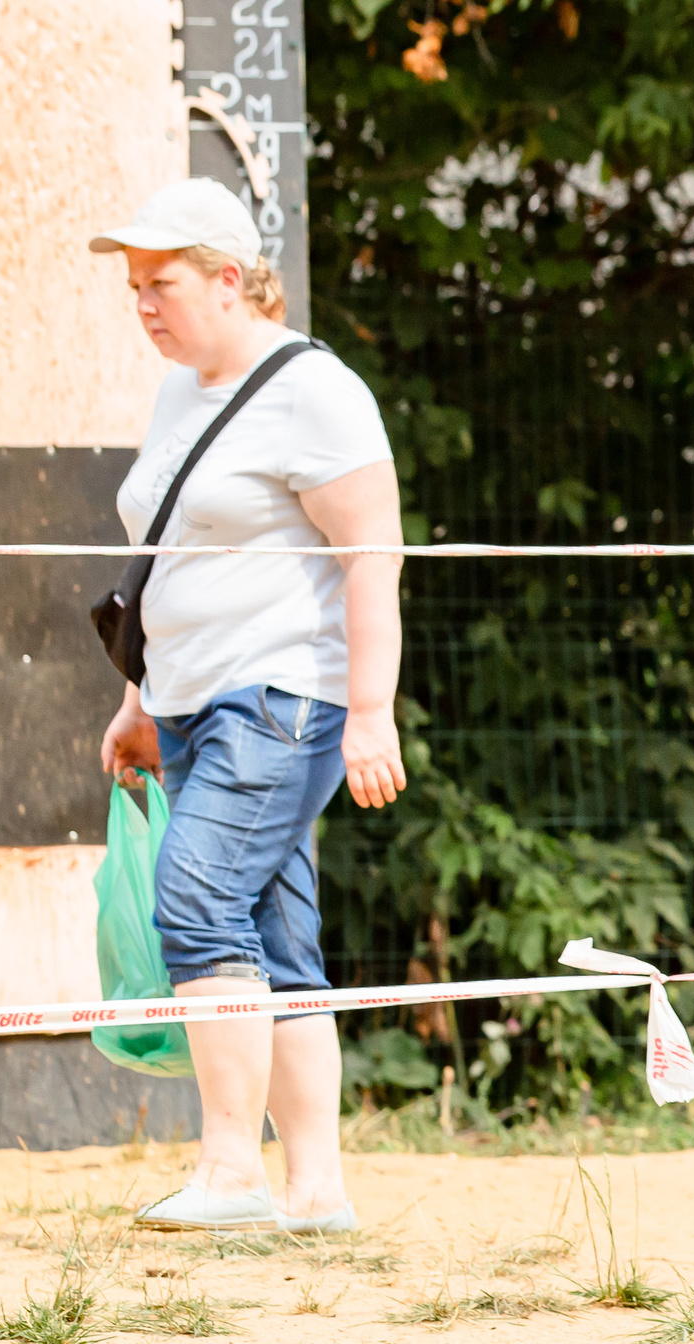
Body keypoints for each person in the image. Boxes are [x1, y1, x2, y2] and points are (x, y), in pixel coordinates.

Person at [90, 179, 406, 1235]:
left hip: (282, 697)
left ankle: (230, 1172)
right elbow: (167, 554)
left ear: (230, 280)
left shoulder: (317, 391)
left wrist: (372, 712)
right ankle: (317, 1193)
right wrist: (139, 700)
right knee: (273, 932)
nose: (143, 305)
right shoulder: (181, 390)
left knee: (195, 900)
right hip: (187, 701)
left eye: (161, 284)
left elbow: (372, 554)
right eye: (134, 287)